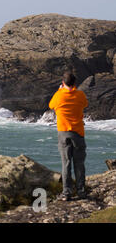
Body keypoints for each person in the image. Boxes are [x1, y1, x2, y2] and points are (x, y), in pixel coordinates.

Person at [49, 71, 88, 201]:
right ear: (75, 83)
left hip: (63, 132)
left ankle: (67, 193)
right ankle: (81, 192)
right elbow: (85, 104)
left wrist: (60, 91)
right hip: (78, 132)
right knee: (79, 163)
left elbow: (51, 105)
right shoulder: (80, 95)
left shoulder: (58, 96)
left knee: (66, 164)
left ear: (63, 82)